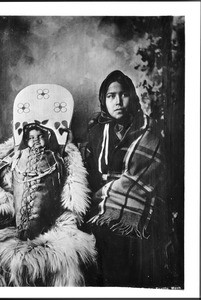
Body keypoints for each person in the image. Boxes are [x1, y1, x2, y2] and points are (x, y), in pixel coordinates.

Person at [0, 84, 96, 286]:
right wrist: (8, 176)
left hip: (52, 220)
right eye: (31, 138)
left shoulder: (60, 157)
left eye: (40, 137)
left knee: (66, 261)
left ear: (47, 137)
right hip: (19, 218)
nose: (36, 141)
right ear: (25, 140)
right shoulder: (15, 156)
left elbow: (71, 194)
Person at [83, 70, 171, 287]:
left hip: (142, 206)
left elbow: (160, 179)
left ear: (132, 96)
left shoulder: (150, 131)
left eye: (123, 95)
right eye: (111, 96)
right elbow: (91, 175)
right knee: (104, 237)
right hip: (101, 205)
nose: (118, 101)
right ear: (104, 100)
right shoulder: (96, 133)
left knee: (136, 242)